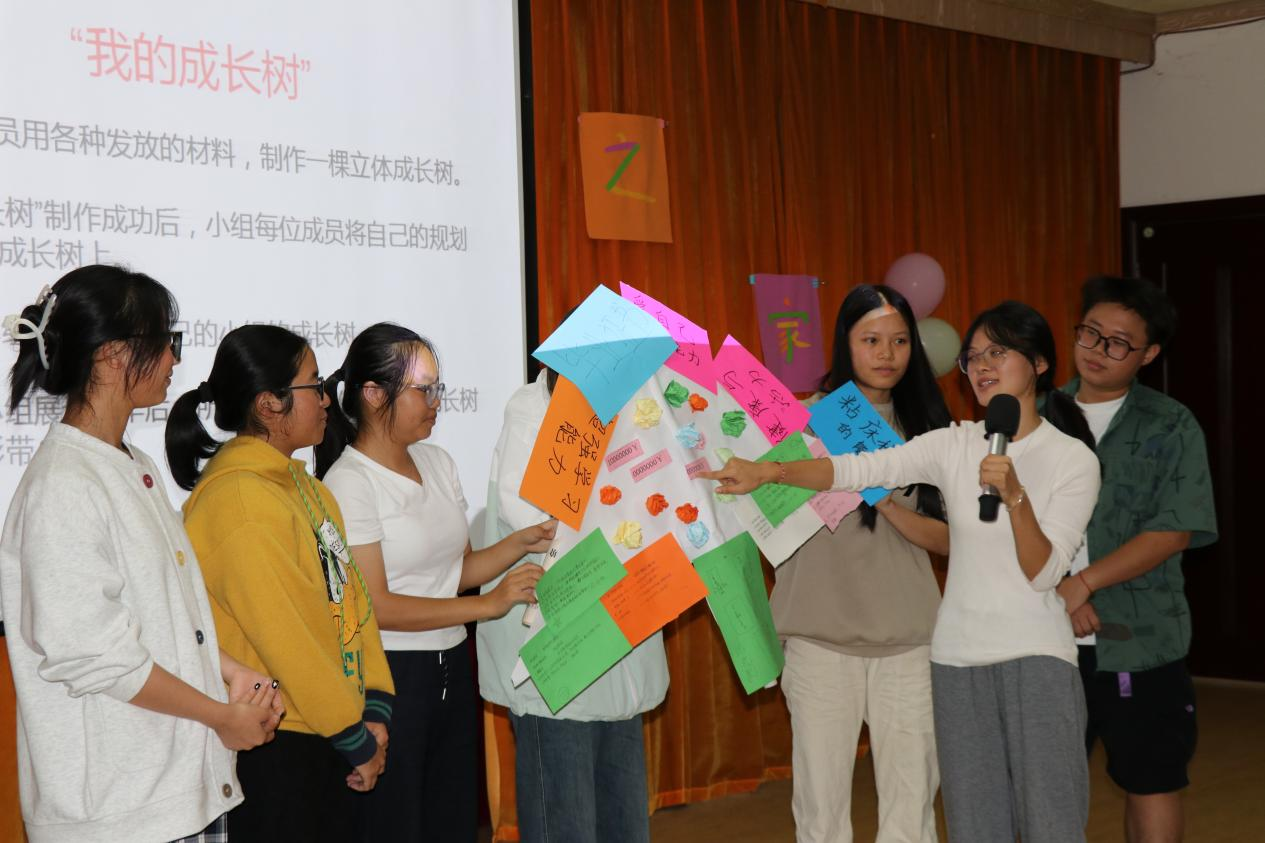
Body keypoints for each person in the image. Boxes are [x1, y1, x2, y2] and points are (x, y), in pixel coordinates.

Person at [704, 300, 1101, 843]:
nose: (983, 366)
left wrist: (1014, 497)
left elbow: (1045, 572)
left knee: (1047, 820)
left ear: (1038, 363)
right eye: (973, 356)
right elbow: (857, 468)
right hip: (956, 656)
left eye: (998, 352)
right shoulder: (952, 442)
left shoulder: (1071, 458)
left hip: (1031, 655)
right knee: (973, 822)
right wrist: (767, 471)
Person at [0, 265, 281, 843]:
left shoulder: (132, 464)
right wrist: (220, 716)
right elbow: (94, 655)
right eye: (164, 341)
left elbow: (162, 619)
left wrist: (228, 672)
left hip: (171, 794)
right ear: (110, 356)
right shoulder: (64, 484)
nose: (174, 358)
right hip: (119, 813)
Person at [314, 323, 551, 842]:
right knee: (396, 824)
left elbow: (454, 574)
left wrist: (521, 542)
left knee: (452, 819)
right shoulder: (349, 482)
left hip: (450, 670)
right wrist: (487, 606)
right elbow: (377, 606)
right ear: (373, 394)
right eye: (423, 389)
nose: (436, 402)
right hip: (390, 678)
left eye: (437, 388)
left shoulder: (437, 461)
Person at [167, 324, 395, 842]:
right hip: (279, 742)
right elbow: (288, 639)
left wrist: (376, 702)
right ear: (269, 404)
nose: (326, 399)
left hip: (332, 727)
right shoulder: (239, 501)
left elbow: (352, 601)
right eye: (314, 385)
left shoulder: (306, 488)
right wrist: (354, 735)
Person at [772, 284, 950, 843]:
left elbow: (951, 539)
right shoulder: (802, 422)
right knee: (820, 811)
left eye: (900, 341)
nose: (886, 354)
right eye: (871, 340)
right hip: (819, 639)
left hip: (909, 639)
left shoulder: (932, 428)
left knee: (911, 808)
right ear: (844, 343)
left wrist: (885, 498)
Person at [478, 363, 668, 843]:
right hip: (557, 667)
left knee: (625, 826)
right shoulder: (532, 410)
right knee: (566, 826)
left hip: (619, 649)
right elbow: (535, 520)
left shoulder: (632, 413)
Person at [1058, 276, 1217, 843]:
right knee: (1042, 787)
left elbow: (1173, 530)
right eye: (1090, 333)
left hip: (1141, 639)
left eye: (1119, 343)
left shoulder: (1170, 423)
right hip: (1043, 639)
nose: (1098, 350)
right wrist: (1060, 588)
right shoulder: (1039, 415)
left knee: (1151, 780)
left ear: (1148, 354)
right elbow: (1007, 519)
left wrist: (1084, 582)